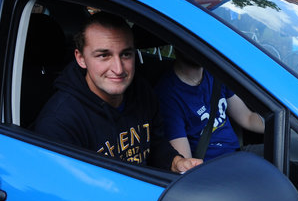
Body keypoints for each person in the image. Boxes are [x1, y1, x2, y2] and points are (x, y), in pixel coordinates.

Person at [35, 12, 202, 173]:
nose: (118, 68)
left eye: (126, 54)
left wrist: (176, 162)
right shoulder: (59, 123)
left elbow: (156, 144)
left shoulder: (141, 91)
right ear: (81, 58)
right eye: (103, 55)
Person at [155, 50, 264, 161]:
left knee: (281, 153)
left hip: (238, 153)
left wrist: (279, 127)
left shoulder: (215, 73)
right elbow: (186, 163)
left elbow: (248, 118)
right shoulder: (168, 94)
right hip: (211, 167)